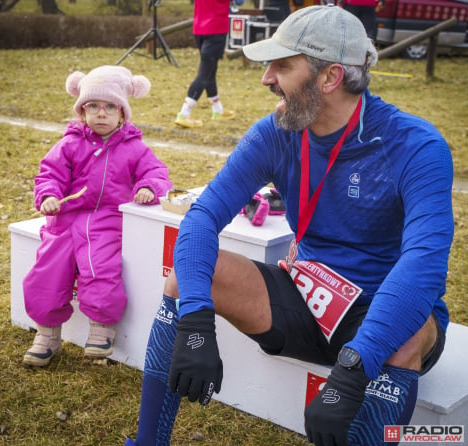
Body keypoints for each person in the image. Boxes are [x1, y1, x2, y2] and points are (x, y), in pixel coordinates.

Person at [126, 5, 454, 445]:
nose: (266, 78)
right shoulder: (276, 131)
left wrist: (355, 367)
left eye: (282, 66)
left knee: (408, 334)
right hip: (309, 296)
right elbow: (203, 216)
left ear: (330, 77)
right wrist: (196, 321)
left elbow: (423, 265)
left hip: (384, 311)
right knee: (186, 280)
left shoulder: (415, 145)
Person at [23, 65, 173, 367]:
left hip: (106, 220)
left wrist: (147, 187)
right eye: (93, 106)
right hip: (65, 220)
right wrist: (50, 196)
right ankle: (47, 333)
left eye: (109, 107)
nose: (100, 114)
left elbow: (157, 172)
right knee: (48, 270)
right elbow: (49, 173)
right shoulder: (70, 143)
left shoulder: (134, 147)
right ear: (82, 112)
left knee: (101, 265)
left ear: (122, 114)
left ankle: (101, 328)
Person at [174, 0, 239, 128]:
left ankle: (217, 109)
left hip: (199, 27)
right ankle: (184, 113)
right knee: (204, 74)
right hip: (216, 27)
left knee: (210, 70)